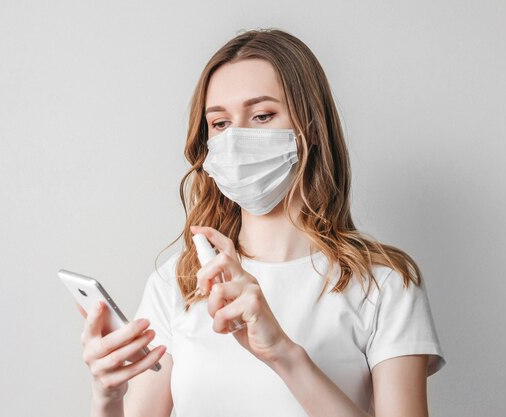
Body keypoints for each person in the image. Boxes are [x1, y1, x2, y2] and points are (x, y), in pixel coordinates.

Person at [77, 28, 447, 417]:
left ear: (312, 126)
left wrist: (284, 355)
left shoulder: (384, 284)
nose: (236, 139)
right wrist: (107, 396)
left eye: (262, 116)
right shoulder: (178, 283)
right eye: (220, 124)